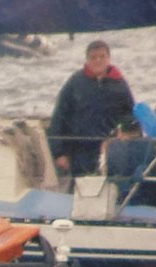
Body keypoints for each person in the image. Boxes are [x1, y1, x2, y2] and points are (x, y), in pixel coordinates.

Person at [48, 40, 135, 181]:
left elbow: (130, 116)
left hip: (110, 149)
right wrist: (58, 153)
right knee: (81, 187)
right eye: (93, 57)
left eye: (102, 56)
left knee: (111, 185)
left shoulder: (120, 84)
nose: (98, 61)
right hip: (79, 152)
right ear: (87, 60)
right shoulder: (75, 82)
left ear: (109, 58)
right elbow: (59, 117)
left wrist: (125, 133)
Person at [104, 115, 156, 207]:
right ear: (140, 130)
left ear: (120, 131)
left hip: (119, 198)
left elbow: (107, 172)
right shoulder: (152, 146)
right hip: (150, 198)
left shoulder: (112, 147)